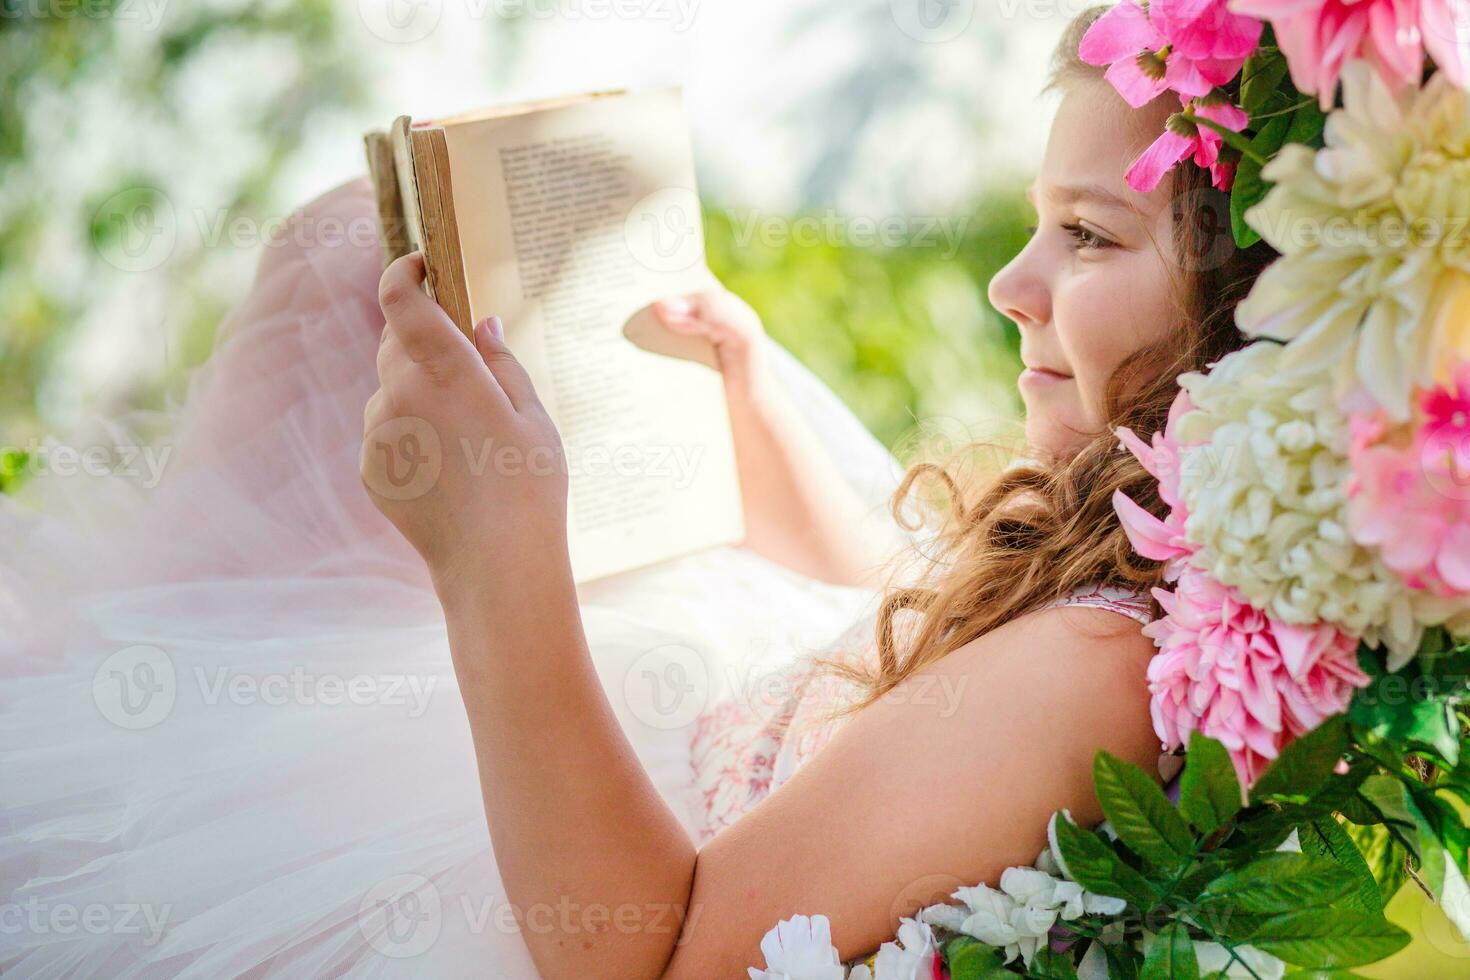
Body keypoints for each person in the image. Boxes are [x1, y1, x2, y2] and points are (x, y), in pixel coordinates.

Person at [0, 9, 1275, 978]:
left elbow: (657, 956)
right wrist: (745, 392)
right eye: (1038, 222)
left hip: (599, 869)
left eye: (1091, 236)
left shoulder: (1099, 658)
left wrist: (493, 559)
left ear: (1251, 311)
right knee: (348, 259)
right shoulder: (1109, 570)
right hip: (714, 721)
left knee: (330, 293)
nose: (1011, 281)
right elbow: (893, 608)